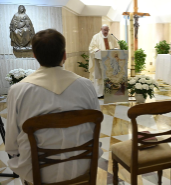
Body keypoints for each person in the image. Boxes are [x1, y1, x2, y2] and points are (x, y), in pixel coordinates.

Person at [5, 29, 102, 184]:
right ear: (64, 55)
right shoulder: (86, 85)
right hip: (83, 166)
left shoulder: (18, 90)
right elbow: (96, 130)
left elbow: (11, 144)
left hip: (37, 173)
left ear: (35, 56)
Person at [88, 24, 120, 97]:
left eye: (107, 30)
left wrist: (115, 49)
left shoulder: (111, 37)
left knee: (109, 77)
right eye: (105, 30)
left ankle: (108, 93)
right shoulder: (96, 37)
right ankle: (99, 93)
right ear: (101, 29)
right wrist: (97, 50)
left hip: (110, 62)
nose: (106, 32)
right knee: (100, 77)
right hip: (99, 62)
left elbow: (117, 46)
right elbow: (91, 48)